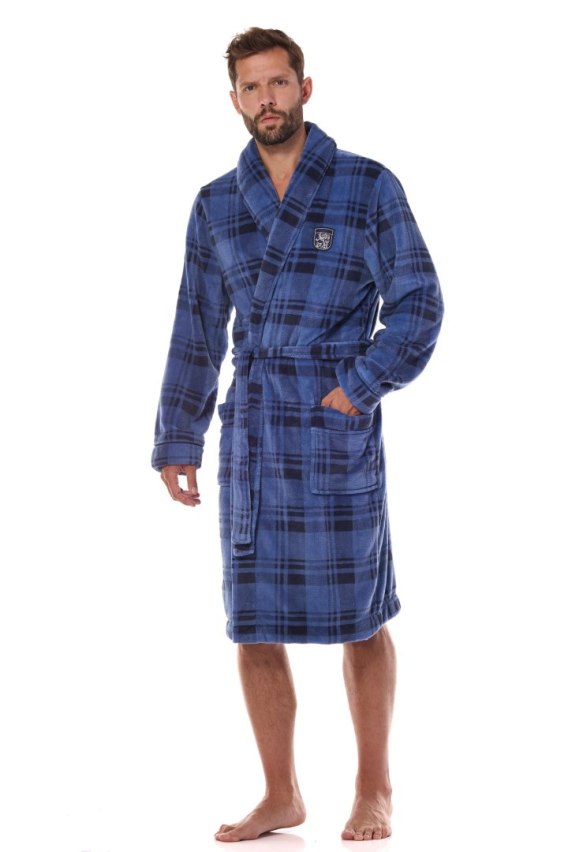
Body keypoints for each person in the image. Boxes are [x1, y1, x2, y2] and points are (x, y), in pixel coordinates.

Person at [151, 27, 444, 842]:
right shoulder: (216, 203)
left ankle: (375, 787)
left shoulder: (366, 186)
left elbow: (418, 302)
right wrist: (178, 437)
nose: (267, 99)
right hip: (254, 437)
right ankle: (281, 793)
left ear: (304, 89)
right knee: (252, 624)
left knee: (362, 617)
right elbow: (197, 325)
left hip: (332, 430)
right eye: (251, 87)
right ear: (235, 101)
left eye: (278, 82)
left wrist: (359, 387)